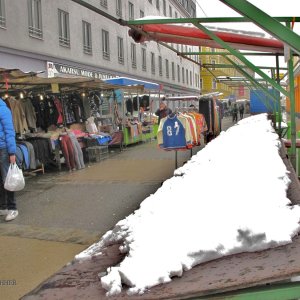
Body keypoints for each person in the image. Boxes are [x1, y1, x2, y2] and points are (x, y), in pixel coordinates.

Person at [0, 97, 18, 221]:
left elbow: (9, 131)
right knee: (1, 180)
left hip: (4, 149)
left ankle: (13, 208)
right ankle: (3, 206)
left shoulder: (3, 109)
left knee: (8, 179)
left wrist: (12, 152)